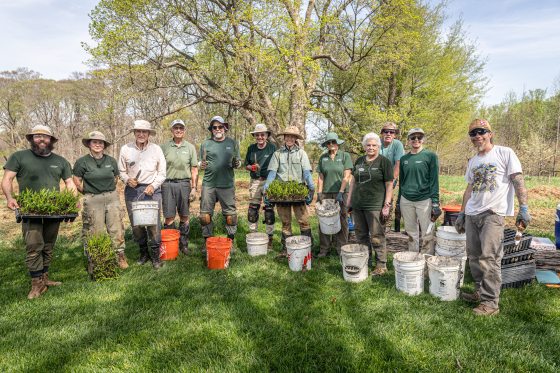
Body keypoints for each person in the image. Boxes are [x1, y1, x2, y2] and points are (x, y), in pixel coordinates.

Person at [454, 119, 531, 316]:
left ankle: (491, 303)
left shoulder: (504, 153)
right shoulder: (473, 161)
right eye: (473, 133)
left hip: (493, 214)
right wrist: (462, 213)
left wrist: (523, 207)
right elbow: (469, 189)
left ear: (490, 133)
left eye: (482, 132)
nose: (477, 136)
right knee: (474, 257)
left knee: (490, 258)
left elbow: (518, 180)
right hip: (472, 214)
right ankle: (480, 292)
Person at [2, 125, 76, 299]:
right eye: (37, 136)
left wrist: (72, 203)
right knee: (34, 246)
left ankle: (44, 278)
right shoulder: (19, 157)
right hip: (29, 209)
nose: (42, 139)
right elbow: (7, 179)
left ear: (51, 140)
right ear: (31, 139)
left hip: (54, 210)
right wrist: (9, 198)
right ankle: (36, 284)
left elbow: (70, 184)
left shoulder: (61, 161)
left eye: (45, 137)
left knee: (49, 245)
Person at [73, 131, 127, 269]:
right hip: (92, 199)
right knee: (94, 230)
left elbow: (115, 179)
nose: (97, 145)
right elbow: (77, 181)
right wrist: (88, 192)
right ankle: (95, 259)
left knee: (116, 228)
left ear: (104, 145)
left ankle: (120, 256)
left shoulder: (110, 161)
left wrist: (108, 190)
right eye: (94, 142)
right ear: (89, 144)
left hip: (111, 197)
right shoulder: (82, 162)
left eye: (100, 142)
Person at [118, 120, 166, 269]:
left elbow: (162, 172)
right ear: (134, 133)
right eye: (138, 131)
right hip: (133, 190)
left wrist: (153, 185)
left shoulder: (156, 149)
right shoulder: (125, 149)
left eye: (144, 132)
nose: (141, 134)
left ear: (148, 134)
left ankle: (156, 256)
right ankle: (143, 253)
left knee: (153, 224)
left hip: (152, 189)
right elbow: (121, 171)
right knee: (137, 225)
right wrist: (127, 179)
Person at [264, 126, 315, 257]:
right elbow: (272, 173)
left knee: (303, 221)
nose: (290, 139)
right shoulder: (277, 154)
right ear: (284, 138)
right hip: (282, 193)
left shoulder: (301, 153)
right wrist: (266, 189)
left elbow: (307, 172)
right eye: (288, 136)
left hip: (298, 190)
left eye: (293, 136)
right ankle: (286, 249)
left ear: (296, 138)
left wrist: (311, 188)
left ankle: (308, 247)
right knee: (285, 223)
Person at [347, 132, 393, 275]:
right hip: (358, 204)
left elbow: (389, 184)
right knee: (360, 235)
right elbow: (353, 181)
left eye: (374, 145)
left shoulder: (384, 162)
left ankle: (381, 265)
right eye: (368, 145)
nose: (371, 147)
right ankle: (366, 261)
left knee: (377, 235)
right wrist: (349, 201)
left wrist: (386, 205)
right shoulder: (359, 160)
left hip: (375, 205)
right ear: (364, 146)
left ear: (378, 147)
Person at [199, 116, 242, 252]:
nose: (217, 129)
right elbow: (200, 162)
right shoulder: (205, 144)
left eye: (220, 127)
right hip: (209, 183)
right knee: (205, 216)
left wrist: (238, 163)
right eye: (214, 127)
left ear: (225, 128)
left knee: (231, 216)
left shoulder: (233, 143)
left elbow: (239, 161)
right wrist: (201, 164)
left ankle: (231, 241)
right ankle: (207, 242)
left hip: (227, 184)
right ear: (211, 130)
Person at [396, 128, 441, 255]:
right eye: (413, 137)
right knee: (411, 233)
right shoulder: (404, 158)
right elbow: (402, 182)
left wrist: (436, 203)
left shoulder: (430, 156)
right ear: (408, 140)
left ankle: (426, 260)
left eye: (419, 137)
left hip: (424, 199)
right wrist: (399, 202)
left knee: (427, 233)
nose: (416, 140)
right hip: (406, 200)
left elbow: (434, 181)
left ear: (423, 139)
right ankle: (413, 259)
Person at [160, 119, 198, 255]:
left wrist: (194, 187)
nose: (178, 130)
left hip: (184, 184)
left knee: (184, 215)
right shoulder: (164, 147)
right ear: (172, 130)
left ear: (184, 130)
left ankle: (184, 245)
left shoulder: (190, 147)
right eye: (176, 128)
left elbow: (194, 169)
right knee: (169, 217)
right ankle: (171, 245)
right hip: (167, 184)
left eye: (181, 128)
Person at [316, 132, 353, 257]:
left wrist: (341, 192)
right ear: (326, 145)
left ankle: (341, 248)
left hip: (342, 192)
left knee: (342, 219)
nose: (331, 144)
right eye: (328, 142)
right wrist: (319, 193)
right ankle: (324, 249)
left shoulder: (345, 156)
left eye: (333, 142)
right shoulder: (323, 158)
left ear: (337, 143)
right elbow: (321, 177)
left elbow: (346, 176)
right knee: (324, 219)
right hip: (326, 192)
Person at [244, 123, 276, 249]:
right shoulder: (251, 148)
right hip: (255, 181)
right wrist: (251, 167)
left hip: (269, 181)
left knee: (269, 210)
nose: (260, 137)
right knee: (253, 209)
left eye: (262, 134)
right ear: (255, 136)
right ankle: (253, 235)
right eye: (257, 135)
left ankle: (270, 238)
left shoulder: (272, 148)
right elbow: (246, 165)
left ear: (267, 135)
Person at [380, 122, 405, 231]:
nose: (389, 134)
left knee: (388, 201)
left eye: (392, 132)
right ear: (382, 133)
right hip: (377, 179)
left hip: (390, 178)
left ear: (395, 135)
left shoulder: (397, 144)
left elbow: (398, 164)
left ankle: (387, 227)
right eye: (386, 131)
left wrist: (392, 181)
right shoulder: (376, 143)